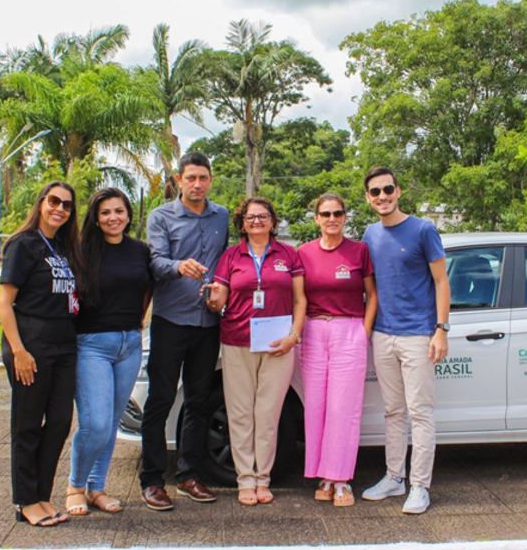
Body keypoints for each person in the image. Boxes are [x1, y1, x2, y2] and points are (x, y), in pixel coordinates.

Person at [139, 152, 229, 511]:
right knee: (160, 400)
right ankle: (152, 479)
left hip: (208, 323)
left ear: (211, 179)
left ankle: (189, 475)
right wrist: (178, 266)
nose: (197, 184)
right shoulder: (161, 216)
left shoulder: (222, 215)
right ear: (178, 180)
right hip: (171, 321)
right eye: (190, 177)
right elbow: (155, 261)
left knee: (198, 400)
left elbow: (226, 262)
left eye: (203, 177)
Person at [203, 197, 305, 506]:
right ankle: (245, 479)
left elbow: (300, 300)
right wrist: (212, 300)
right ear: (242, 223)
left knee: (268, 414)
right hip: (237, 342)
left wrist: (294, 336)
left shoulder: (288, 254)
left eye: (263, 216)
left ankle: (263, 479)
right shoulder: (231, 256)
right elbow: (219, 300)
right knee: (240, 414)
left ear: (273, 221)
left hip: (278, 345)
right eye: (250, 217)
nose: (257, 221)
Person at [360, 167, 450, 515]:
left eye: (387, 189)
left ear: (398, 191)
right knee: (393, 411)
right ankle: (394, 478)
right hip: (383, 334)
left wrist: (441, 329)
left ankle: (420, 486)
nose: (382, 196)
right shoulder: (370, 234)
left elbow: (441, 282)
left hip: (418, 334)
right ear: (368, 198)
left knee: (420, 412)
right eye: (375, 192)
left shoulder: (423, 229)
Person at [0, 181, 81, 527]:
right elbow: (4, 303)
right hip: (30, 342)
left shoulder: (61, 247)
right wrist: (19, 351)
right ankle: (26, 501)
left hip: (63, 344)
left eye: (67, 205)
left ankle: (42, 496)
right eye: (54, 201)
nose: (60, 209)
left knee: (60, 421)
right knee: (28, 424)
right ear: (41, 203)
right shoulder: (24, 244)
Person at [66, 188, 152, 516]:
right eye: (105, 212)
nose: (113, 218)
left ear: (128, 215)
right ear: (95, 217)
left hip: (129, 343)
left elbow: (146, 287)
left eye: (119, 211)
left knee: (113, 421)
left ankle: (96, 487)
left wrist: (137, 321)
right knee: (96, 423)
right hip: (92, 345)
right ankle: (75, 486)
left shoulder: (140, 250)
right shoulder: (79, 250)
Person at [297, 193, 376, 507]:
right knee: (316, 406)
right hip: (314, 331)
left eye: (338, 213)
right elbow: (298, 297)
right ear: (317, 218)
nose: (332, 219)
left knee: (343, 408)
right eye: (326, 214)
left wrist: (363, 332)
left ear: (345, 217)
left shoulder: (359, 251)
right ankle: (323, 476)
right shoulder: (303, 252)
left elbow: (372, 295)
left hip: (349, 330)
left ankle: (341, 479)